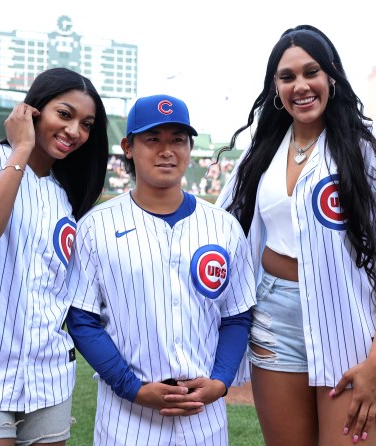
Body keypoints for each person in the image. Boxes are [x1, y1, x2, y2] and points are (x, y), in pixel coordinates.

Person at [215, 25, 376, 445]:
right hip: (274, 318)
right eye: (287, 76)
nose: (300, 86)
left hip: (348, 320)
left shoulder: (373, 145)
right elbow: (221, 226)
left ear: (331, 76)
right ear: (275, 87)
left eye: (311, 72)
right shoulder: (263, 148)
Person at [0, 67, 109, 446]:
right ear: (32, 110)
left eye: (86, 123)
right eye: (65, 114)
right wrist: (22, 149)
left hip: (47, 378)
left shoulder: (66, 195)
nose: (75, 131)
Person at [65, 94, 256, 446]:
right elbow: (82, 319)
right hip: (127, 418)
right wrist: (132, 388)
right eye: (153, 139)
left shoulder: (224, 227)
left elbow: (237, 315)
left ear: (189, 147)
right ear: (128, 146)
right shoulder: (96, 226)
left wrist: (220, 381)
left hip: (204, 417)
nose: (166, 150)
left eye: (177, 140)